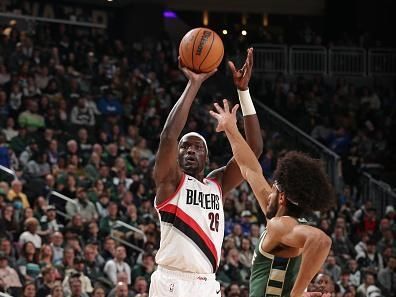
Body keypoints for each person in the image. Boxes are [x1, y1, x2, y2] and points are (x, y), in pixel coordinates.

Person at [149, 48, 262, 297]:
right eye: (184, 147)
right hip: (171, 281)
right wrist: (194, 83)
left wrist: (243, 92)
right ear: (176, 155)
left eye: (197, 147)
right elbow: (168, 136)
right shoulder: (170, 182)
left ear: (206, 156)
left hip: (208, 284)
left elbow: (253, 149)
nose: (190, 150)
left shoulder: (217, 183)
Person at [209, 100, 336, 297]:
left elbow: (321, 241)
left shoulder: (280, 225)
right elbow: (249, 168)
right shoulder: (278, 218)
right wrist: (230, 127)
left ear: (283, 198)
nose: (269, 194)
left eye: (274, 189)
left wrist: (297, 293)